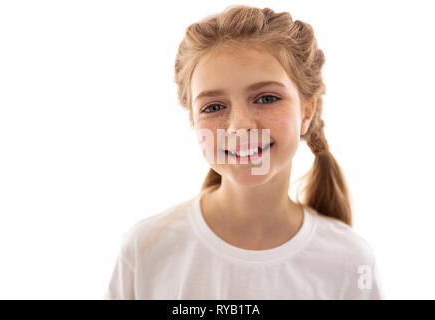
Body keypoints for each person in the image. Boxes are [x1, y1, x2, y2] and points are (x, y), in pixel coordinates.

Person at [103, 4, 385, 300]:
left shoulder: (350, 262)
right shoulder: (146, 249)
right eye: (213, 107)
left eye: (266, 98)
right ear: (193, 121)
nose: (239, 126)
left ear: (306, 111)